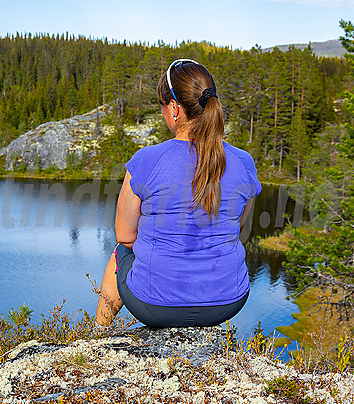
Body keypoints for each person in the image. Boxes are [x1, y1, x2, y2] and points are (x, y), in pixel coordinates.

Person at [95, 59, 261, 328]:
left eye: (162, 106)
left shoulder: (146, 160)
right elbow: (238, 225)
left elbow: (125, 237)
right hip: (228, 302)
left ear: (174, 108)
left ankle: (97, 337)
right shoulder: (244, 162)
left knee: (118, 255)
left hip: (155, 306)